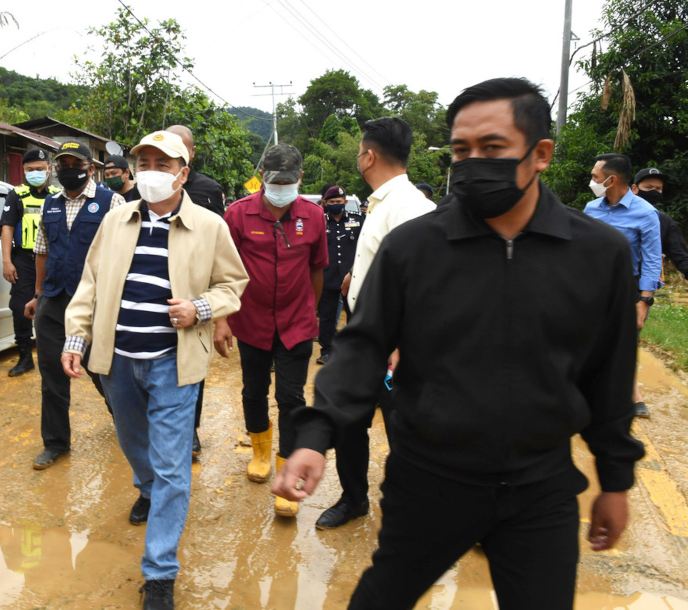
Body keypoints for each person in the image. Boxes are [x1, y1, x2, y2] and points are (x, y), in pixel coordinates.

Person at [274, 77, 645, 609]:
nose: (473, 162)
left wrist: (615, 479)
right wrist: (317, 434)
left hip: (540, 490)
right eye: (461, 150)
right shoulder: (415, 248)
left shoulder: (596, 254)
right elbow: (361, 347)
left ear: (540, 153)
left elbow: (608, 377)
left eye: (492, 149)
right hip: (429, 480)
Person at [62, 130, 248, 610]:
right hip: (118, 361)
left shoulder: (210, 226)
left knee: (172, 467)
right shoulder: (116, 220)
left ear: (183, 173)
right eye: (143, 161)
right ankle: (147, 488)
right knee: (132, 443)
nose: (150, 171)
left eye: (162, 164)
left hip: (173, 364)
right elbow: (90, 283)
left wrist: (201, 309)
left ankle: (160, 571)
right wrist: (76, 337)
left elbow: (233, 284)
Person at [320, 118, 436, 531]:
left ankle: (412, 510)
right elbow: (388, 263)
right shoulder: (380, 203)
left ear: (368, 156)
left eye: (358, 153)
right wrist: (357, 276)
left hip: (395, 341)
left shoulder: (409, 207)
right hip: (366, 331)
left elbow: (423, 282)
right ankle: (354, 499)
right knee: (351, 423)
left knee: (403, 429)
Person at [223, 143, 328, 518]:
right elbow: (225, 272)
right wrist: (223, 318)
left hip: (296, 323)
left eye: (287, 180)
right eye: (274, 180)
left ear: (300, 178)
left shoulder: (314, 216)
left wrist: (309, 312)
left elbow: (317, 269)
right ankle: (261, 453)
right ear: (262, 178)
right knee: (253, 391)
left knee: (291, 398)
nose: (281, 186)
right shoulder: (237, 214)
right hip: (251, 322)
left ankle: (287, 472)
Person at [24, 140, 124, 469]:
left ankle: (129, 427)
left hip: (96, 303)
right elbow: (42, 252)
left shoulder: (112, 202)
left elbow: (124, 255)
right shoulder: (50, 205)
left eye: (75, 164)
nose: (68, 170)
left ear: (90, 168)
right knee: (52, 376)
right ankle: (55, 443)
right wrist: (38, 294)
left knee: (103, 372)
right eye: (62, 165)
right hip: (54, 300)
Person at [584, 153, 661, 418]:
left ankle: (630, 393)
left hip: (629, 288)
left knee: (626, 343)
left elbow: (652, 261)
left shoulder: (646, 213)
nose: (592, 182)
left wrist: (644, 301)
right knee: (590, 338)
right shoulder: (591, 209)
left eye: (595, 177)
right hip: (594, 284)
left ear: (611, 180)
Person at [164, 124, 225, 459]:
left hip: (193, 294)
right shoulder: (146, 190)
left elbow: (218, 248)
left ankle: (190, 431)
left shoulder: (208, 189)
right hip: (156, 289)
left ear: (192, 153)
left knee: (191, 364)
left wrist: (218, 311)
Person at [0, 148, 61, 377]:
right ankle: (25, 356)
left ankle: (53, 356)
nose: (35, 173)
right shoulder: (16, 194)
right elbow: (6, 227)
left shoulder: (57, 195)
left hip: (51, 260)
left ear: (49, 170)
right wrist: (7, 261)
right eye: (30, 170)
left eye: (39, 169)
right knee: (19, 308)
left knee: (52, 307)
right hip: (24, 260)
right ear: (23, 171)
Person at [317, 185, 362, 365]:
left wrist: (354, 272)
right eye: (332, 202)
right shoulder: (320, 221)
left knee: (354, 315)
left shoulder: (358, 220)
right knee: (327, 316)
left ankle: (351, 350)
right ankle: (326, 351)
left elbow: (364, 247)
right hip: (327, 276)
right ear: (325, 203)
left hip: (352, 277)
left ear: (345, 202)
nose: (336, 204)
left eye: (339, 201)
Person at [631, 167, 688, 278]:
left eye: (658, 188)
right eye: (649, 187)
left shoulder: (663, 221)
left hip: (642, 287)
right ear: (634, 189)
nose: (654, 191)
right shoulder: (616, 214)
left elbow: (680, 255)